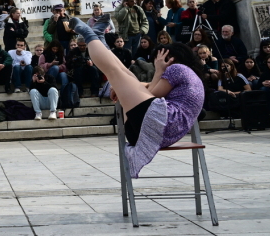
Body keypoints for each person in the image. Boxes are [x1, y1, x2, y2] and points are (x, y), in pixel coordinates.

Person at [69, 16, 204, 178]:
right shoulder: (187, 73)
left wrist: (159, 71)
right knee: (125, 74)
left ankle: (89, 35)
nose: (157, 64)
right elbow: (146, 88)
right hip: (156, 129)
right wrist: (124, 87)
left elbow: (152, 94)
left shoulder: (178, 69)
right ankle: (98, 38)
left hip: (159, 124)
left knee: (115, 72)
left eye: (158, 60)